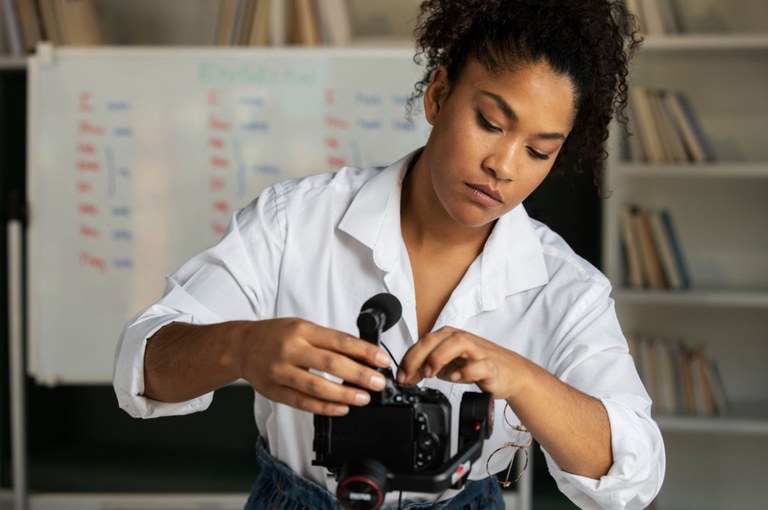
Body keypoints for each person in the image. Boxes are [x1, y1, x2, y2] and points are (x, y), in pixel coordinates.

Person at [114, 0, 665, 508]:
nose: (504, 165)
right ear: (438, 95)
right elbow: (144, 365)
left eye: (539, 151)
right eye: (490, 124)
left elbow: (632, 476)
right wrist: (239, 347)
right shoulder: (293, 222)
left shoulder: (567, 288)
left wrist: (521, 377)